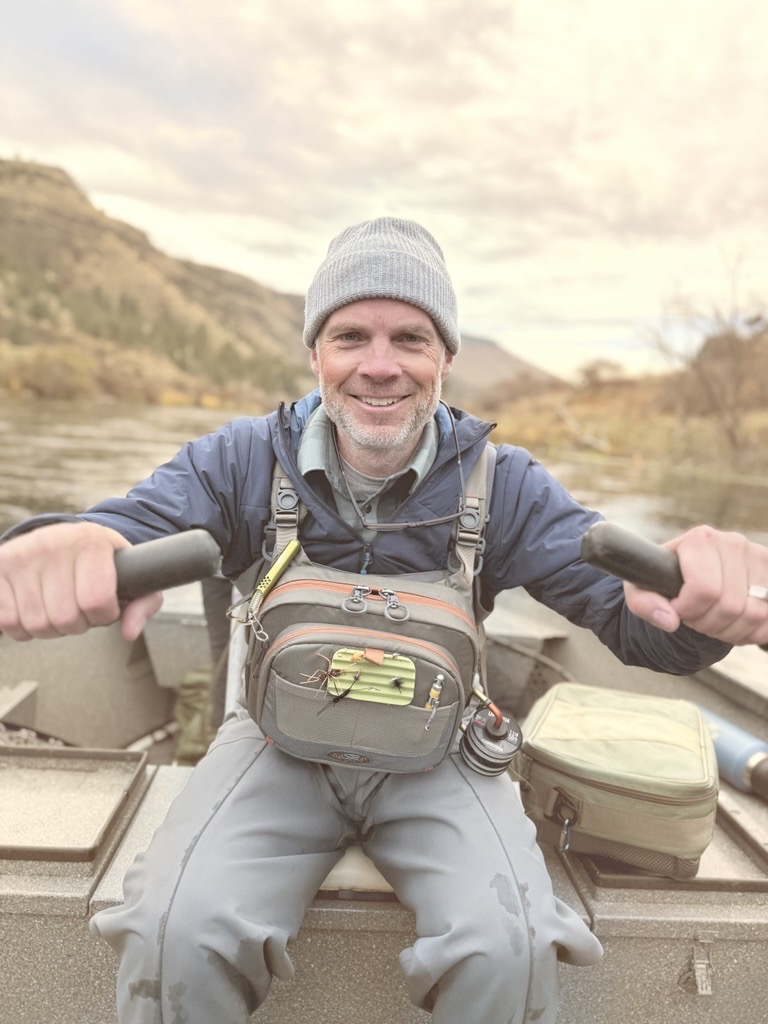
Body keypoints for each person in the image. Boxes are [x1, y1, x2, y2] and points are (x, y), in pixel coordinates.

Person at [1, 217, 767, 1024]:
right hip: (268, 741)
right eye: (349, 335)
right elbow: (121, 527)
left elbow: (640, 624)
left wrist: (702, 605)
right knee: (171, 930)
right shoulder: (236, 459)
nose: (378, 364)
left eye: (409, 337)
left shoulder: (507, 485)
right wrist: (63, 544)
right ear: (315, 354)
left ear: (445, 358)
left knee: (507, 946)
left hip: (443, 751)